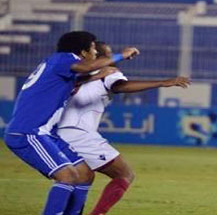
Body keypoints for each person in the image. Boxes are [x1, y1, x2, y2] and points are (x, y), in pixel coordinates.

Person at [3, 31, 139, 215]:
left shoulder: (58, 64)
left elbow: (79, 78)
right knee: (66, 176)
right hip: (28, 133)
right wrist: (119, 56)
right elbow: (84, 69)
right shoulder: (63, 59)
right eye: (93, 48)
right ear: (83, 52)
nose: (95, 52)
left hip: (45, 133)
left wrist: (100, 75)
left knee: (84, 174)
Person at [56, 42, 191, 215]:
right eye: (107, 53)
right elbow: (120, 86)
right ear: (97, 57)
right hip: (79, 133)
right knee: (124, 175)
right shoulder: (108, 72)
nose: (113, 58)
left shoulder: (72, 74)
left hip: (56, 132)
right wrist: (163, 83)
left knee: (82, 177)